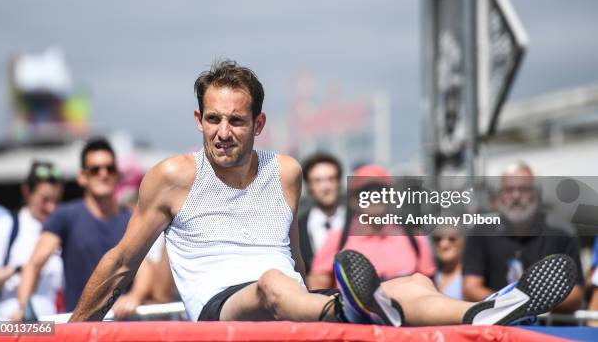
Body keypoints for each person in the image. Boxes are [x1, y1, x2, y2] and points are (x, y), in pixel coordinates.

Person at [69, 60, 577, 326]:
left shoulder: (286, 171)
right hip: (224, 310)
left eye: (237, 121)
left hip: (293, 302)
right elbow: (120, 263)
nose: (224, 132)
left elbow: (292, 256)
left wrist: (311, 298)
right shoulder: (172, 176)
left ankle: (481, 310)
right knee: (270, 283)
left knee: (416, 280)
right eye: (214, 119)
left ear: (259, 124)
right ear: (199, 120)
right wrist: (71, 331)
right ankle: (347, 312)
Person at [12, 138, 154, 321]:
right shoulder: (64, 216)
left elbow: (145, 268)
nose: (103, 174)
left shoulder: (131, 219)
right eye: (95, 170)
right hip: (80, 325)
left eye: (109, 168)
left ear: (117, 174)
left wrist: (134, 297)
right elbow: (34, 264)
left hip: (122, 325)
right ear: (82, 177)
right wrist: (23, 308)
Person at [462, 162, 584, 313]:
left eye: (524, 189)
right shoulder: (480, 231)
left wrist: (530, 305)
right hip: (496, 327)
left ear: (538, 195)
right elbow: (470, 288)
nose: (516, 196)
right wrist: (510, 306)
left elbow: (576, 294)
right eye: (508, 190)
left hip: (548, 329)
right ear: (498, 195)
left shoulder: (561, 232)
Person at [307, 165, 435, 290]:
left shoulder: (413, 237)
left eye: (380, 190)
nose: (374, 196)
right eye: (366, 192)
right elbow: (318, 285)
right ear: (354, 200)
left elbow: (430, 283)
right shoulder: (337, 238)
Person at [0, 161, 64, 320]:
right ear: (27, 191)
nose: (51, 208)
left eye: (56, 200)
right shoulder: (8, 225)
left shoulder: (61, 229)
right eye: (45, 199)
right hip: (7, 325)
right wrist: (17, 270)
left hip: (49, 326)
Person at [298, 153, 347, 273]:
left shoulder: (357, 223)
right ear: (309, 186)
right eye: (318, 181)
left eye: (331, 179)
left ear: (339, 182)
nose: (325, 187)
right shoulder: (296, 229)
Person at [433, 225, 465, 300]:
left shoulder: (471, 278)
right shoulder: (430, 275)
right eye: (437, 239)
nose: (443, 245)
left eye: (452, 239)